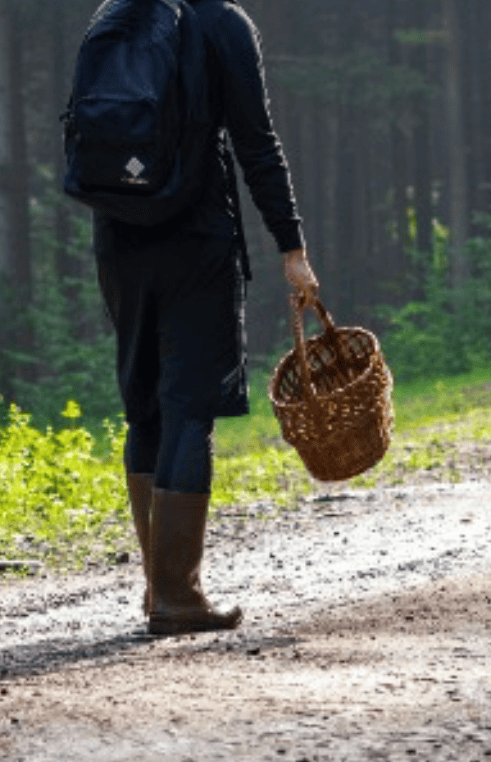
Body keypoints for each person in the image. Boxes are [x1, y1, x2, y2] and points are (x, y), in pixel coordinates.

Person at [93, 0, 319, 635]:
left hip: (118, 237)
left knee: (145, 411)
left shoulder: (115, 15)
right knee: (189, 409)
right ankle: (178, 595)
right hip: (196, 241)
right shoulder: (224, 24)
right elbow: (256, 141)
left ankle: (157, 588)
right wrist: (292, 248)